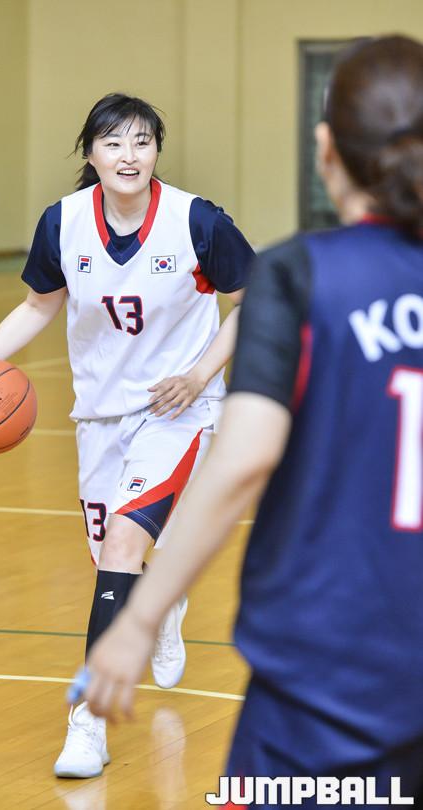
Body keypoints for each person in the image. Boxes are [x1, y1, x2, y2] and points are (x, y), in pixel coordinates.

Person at [82, 37, 423, 801]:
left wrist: (139, 620)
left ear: (325, 148)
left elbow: (242, 462)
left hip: (326, 669)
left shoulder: (303, 274)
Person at [0, 92, 255, 779]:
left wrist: (199, 375)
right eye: (114, 142)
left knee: (122, 546)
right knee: (114, 561)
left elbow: (255, 302)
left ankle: (87, 722)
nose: (129, 155)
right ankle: (163, 600)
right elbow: (36, 305)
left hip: (177, 411)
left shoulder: (196, 220)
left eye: (142, 141)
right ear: (91, 153)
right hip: (99, 417)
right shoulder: (63, 222)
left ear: (157, 150)